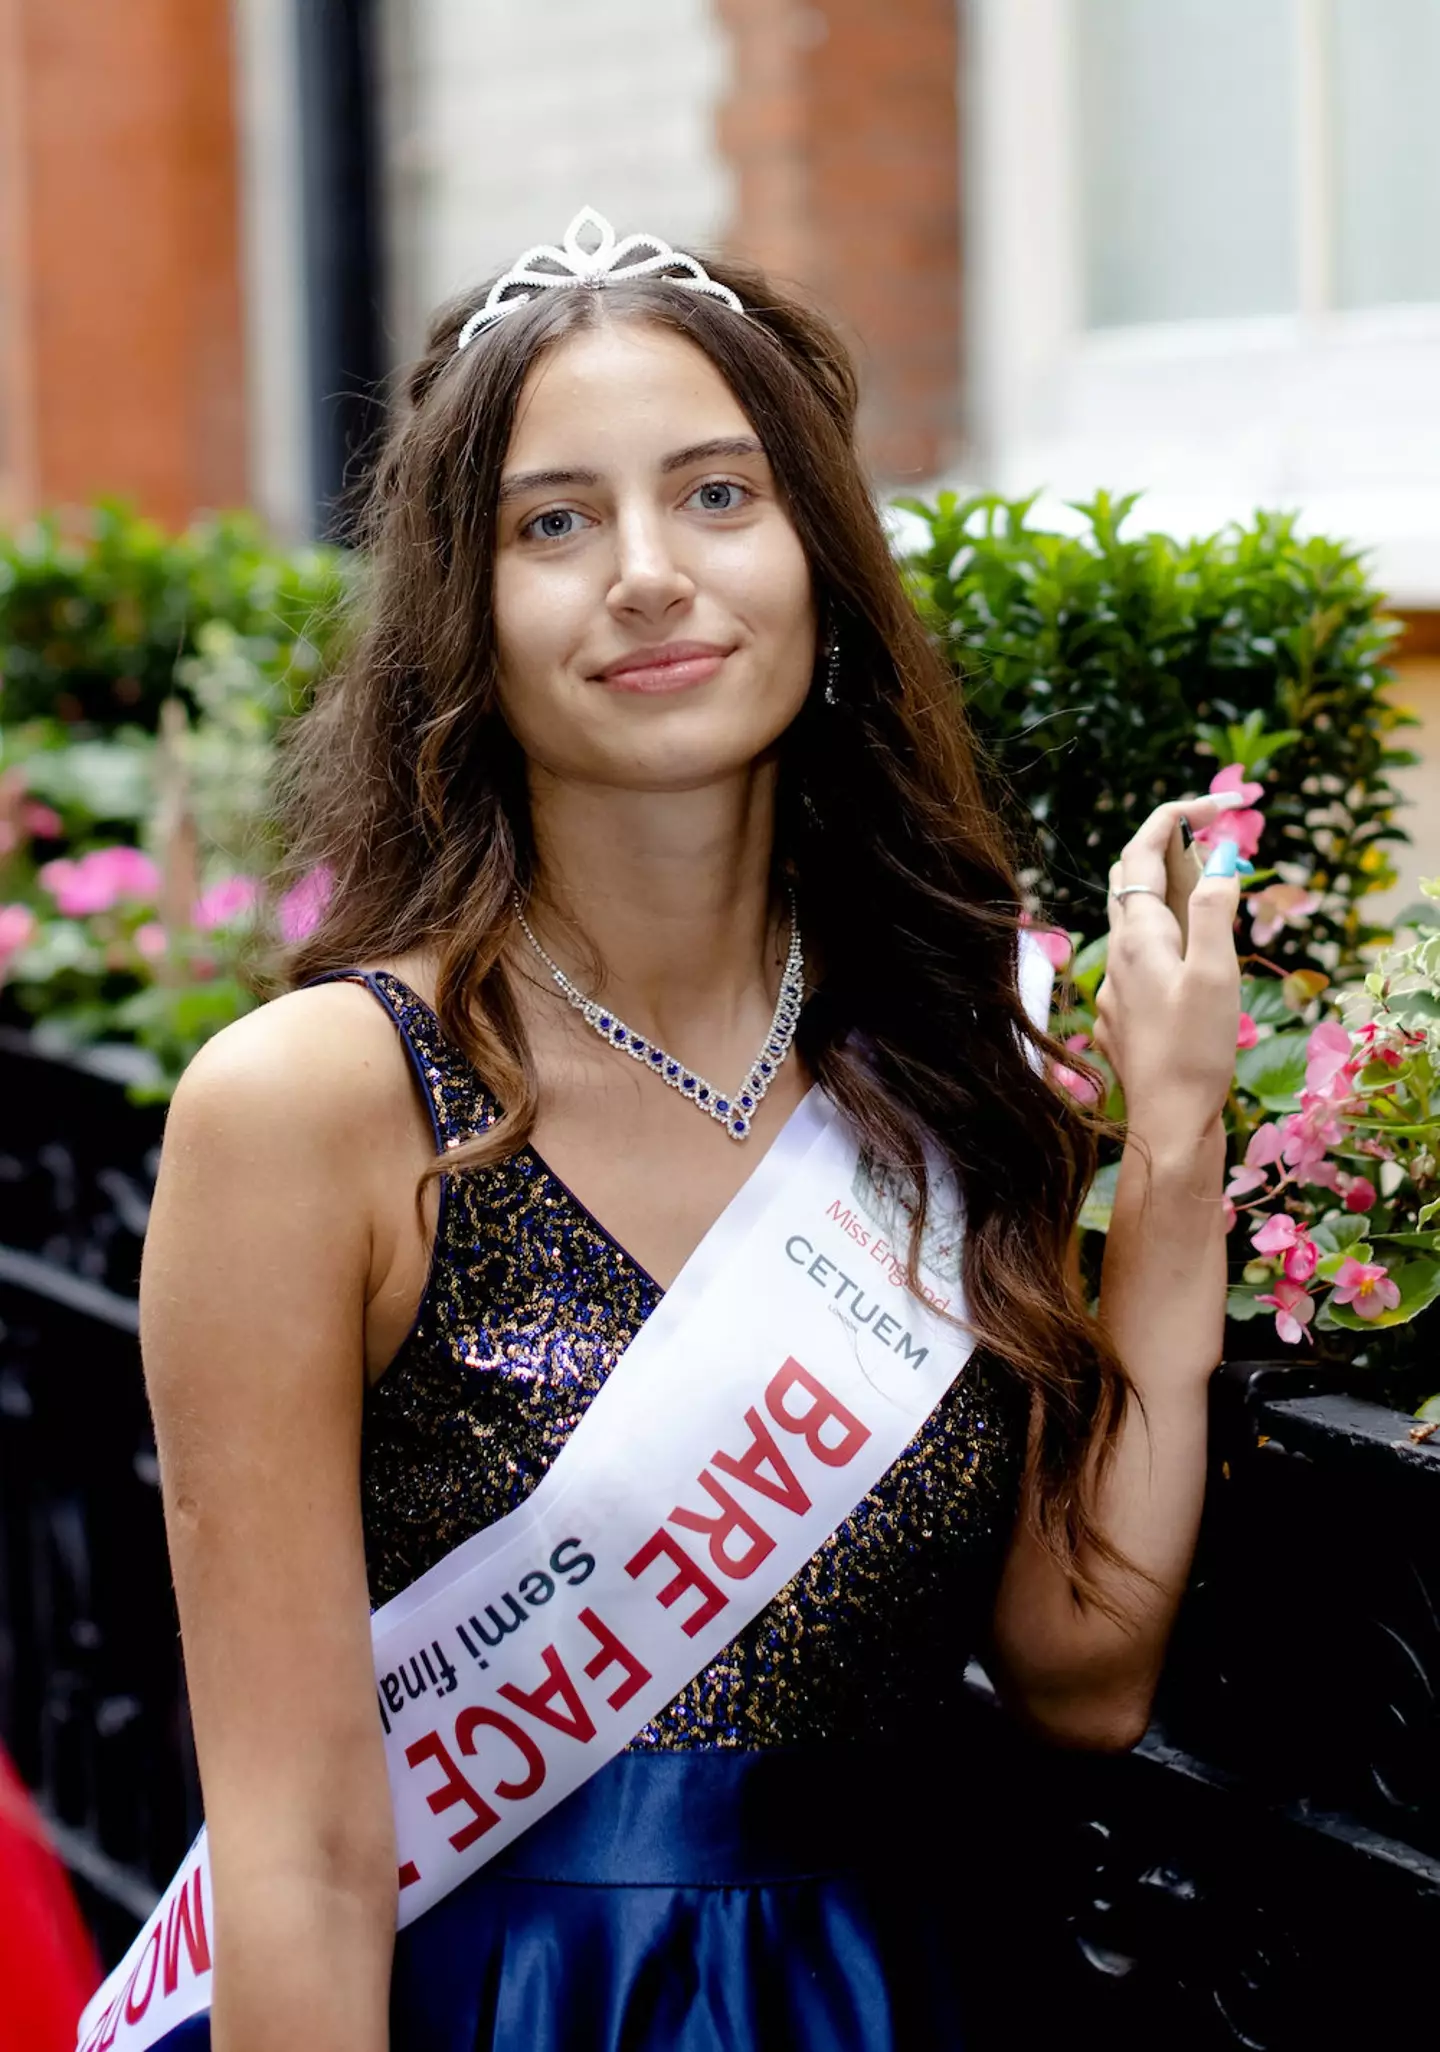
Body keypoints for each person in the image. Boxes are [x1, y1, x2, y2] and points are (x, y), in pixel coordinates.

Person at [112, 212, 1248, 2051]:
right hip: (505, 2001)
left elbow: (1080, 1674)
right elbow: (304, 1855)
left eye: (719, 495)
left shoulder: (944, 1070)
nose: (648, 574)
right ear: (464, 616)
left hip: (893, 1995)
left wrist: (1175, 1161)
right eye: (553, 523)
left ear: (818, 556)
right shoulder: (316, 1108)